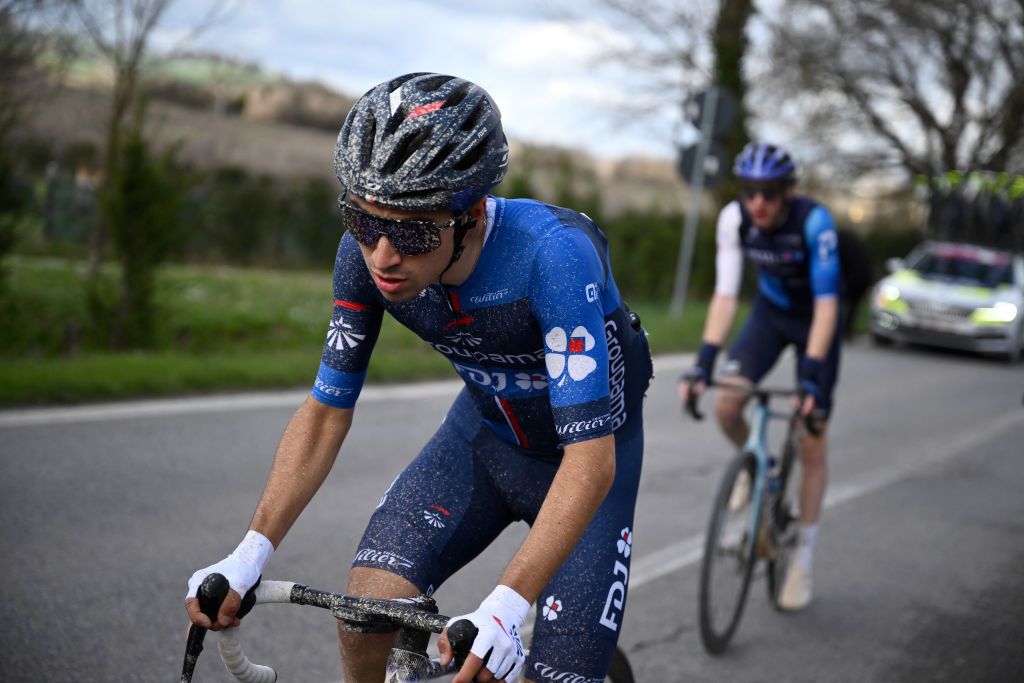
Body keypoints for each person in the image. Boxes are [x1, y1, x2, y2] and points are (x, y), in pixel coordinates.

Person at [185, 72, 653, 683]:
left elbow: (590, 461)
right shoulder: (365, 256)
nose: (381, 254)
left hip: (589, 467)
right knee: (365, 613)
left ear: (473, 213)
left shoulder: (554, 258)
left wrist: (508, 607)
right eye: (362, 220)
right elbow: (326, 410)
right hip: (483, 441)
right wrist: (250, 555)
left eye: (409, 231)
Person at [679, 141, 841, 611]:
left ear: (788, 192)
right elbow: (726, 294)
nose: (759, 203)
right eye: (750, 191)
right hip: (771, 315)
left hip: (818, 319)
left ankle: (803, 558)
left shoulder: (815, 222)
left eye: (769, 192)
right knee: (728, 404)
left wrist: (810, 375)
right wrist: (704, 362)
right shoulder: (735, 219)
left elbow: (829, 304)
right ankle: (759, 469)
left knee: (812, 437)